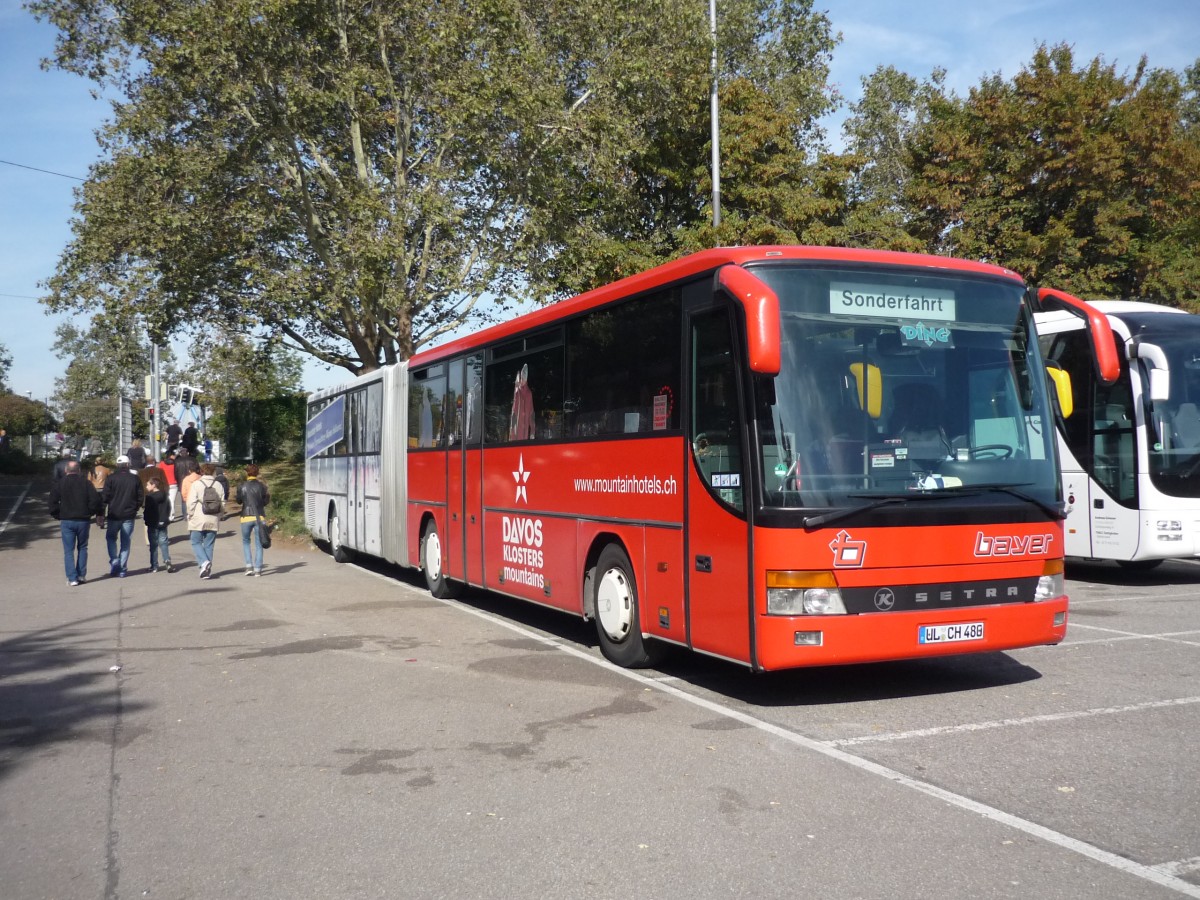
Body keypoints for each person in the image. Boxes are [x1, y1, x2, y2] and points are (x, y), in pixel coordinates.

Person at [48, 459, 103, 586]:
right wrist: (89, 513)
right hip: (83, 520)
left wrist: (58, 515)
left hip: (67, 520)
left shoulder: (60, 484)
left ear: (66, 470)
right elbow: (95, 501)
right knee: (83, 547)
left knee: (68, 550)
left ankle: (72, 578)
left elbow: (52, 503)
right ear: (79, 470)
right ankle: (81, 575)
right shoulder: (86, 483)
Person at [102, 455, 144, 578]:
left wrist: (101, 512)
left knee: (111, 538)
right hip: (129, 514)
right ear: (128, 464)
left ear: (117, 465)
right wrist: (135, 508)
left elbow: (105, 497)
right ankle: (122, 568)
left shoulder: (111, 478)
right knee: (125, 542)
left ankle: (114, 560)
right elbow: (140, 496)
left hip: (114, 514)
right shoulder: (135, 479)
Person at [186, 463, 225, 579]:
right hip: (213, 518)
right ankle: (206, 570)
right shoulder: (218, 485)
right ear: (213, 472)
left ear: (201, 471)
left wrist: (190, 514)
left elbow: (191, 502)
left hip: (198, 518)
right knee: (209, 544)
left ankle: (203, 563)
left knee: (195, 542)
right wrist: (219, 515)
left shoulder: (196, 484)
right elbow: (222, 502)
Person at [236, 464, 271, 576]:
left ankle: (249, 566)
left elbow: (239, 501)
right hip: (259, 517)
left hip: (245, 517)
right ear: (257, 473)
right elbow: (265, 502)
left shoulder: (242, 486)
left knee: (246, 541)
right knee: (259, 543)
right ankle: (258, 569)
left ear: (247, 473)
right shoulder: (262, 486)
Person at [143, 475, 175, 573]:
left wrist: (146, 520)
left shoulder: (149, 497)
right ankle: (167, 560)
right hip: (163, 521)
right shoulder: (165, 495)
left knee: (153, 545)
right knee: (164, 542)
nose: (146, 486)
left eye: (148, 484)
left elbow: (147, 511)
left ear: (153, 485)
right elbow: (169, 507)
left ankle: (154, 565)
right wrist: (166, 518)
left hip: (153, 522)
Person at [159, 451, 180, 520]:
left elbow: (159, 473)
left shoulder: (161, 464)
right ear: (171, 456)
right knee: (171, 501)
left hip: (164, 484)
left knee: (165, 500)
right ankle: (171, 516)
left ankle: (164, 515)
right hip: (174, 484)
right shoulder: (176, 464)